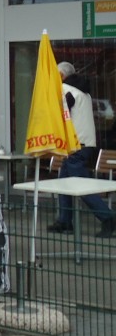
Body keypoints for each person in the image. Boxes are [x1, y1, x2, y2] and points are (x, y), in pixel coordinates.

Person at [48, 62, 114, 238]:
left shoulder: (64, 90)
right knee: (64, 181)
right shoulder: (83, 92)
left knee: (81, 186)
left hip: (75, 144)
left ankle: (108, 218)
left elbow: (61, 115)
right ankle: (64, 221)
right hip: (85, 142)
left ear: (61, 75)